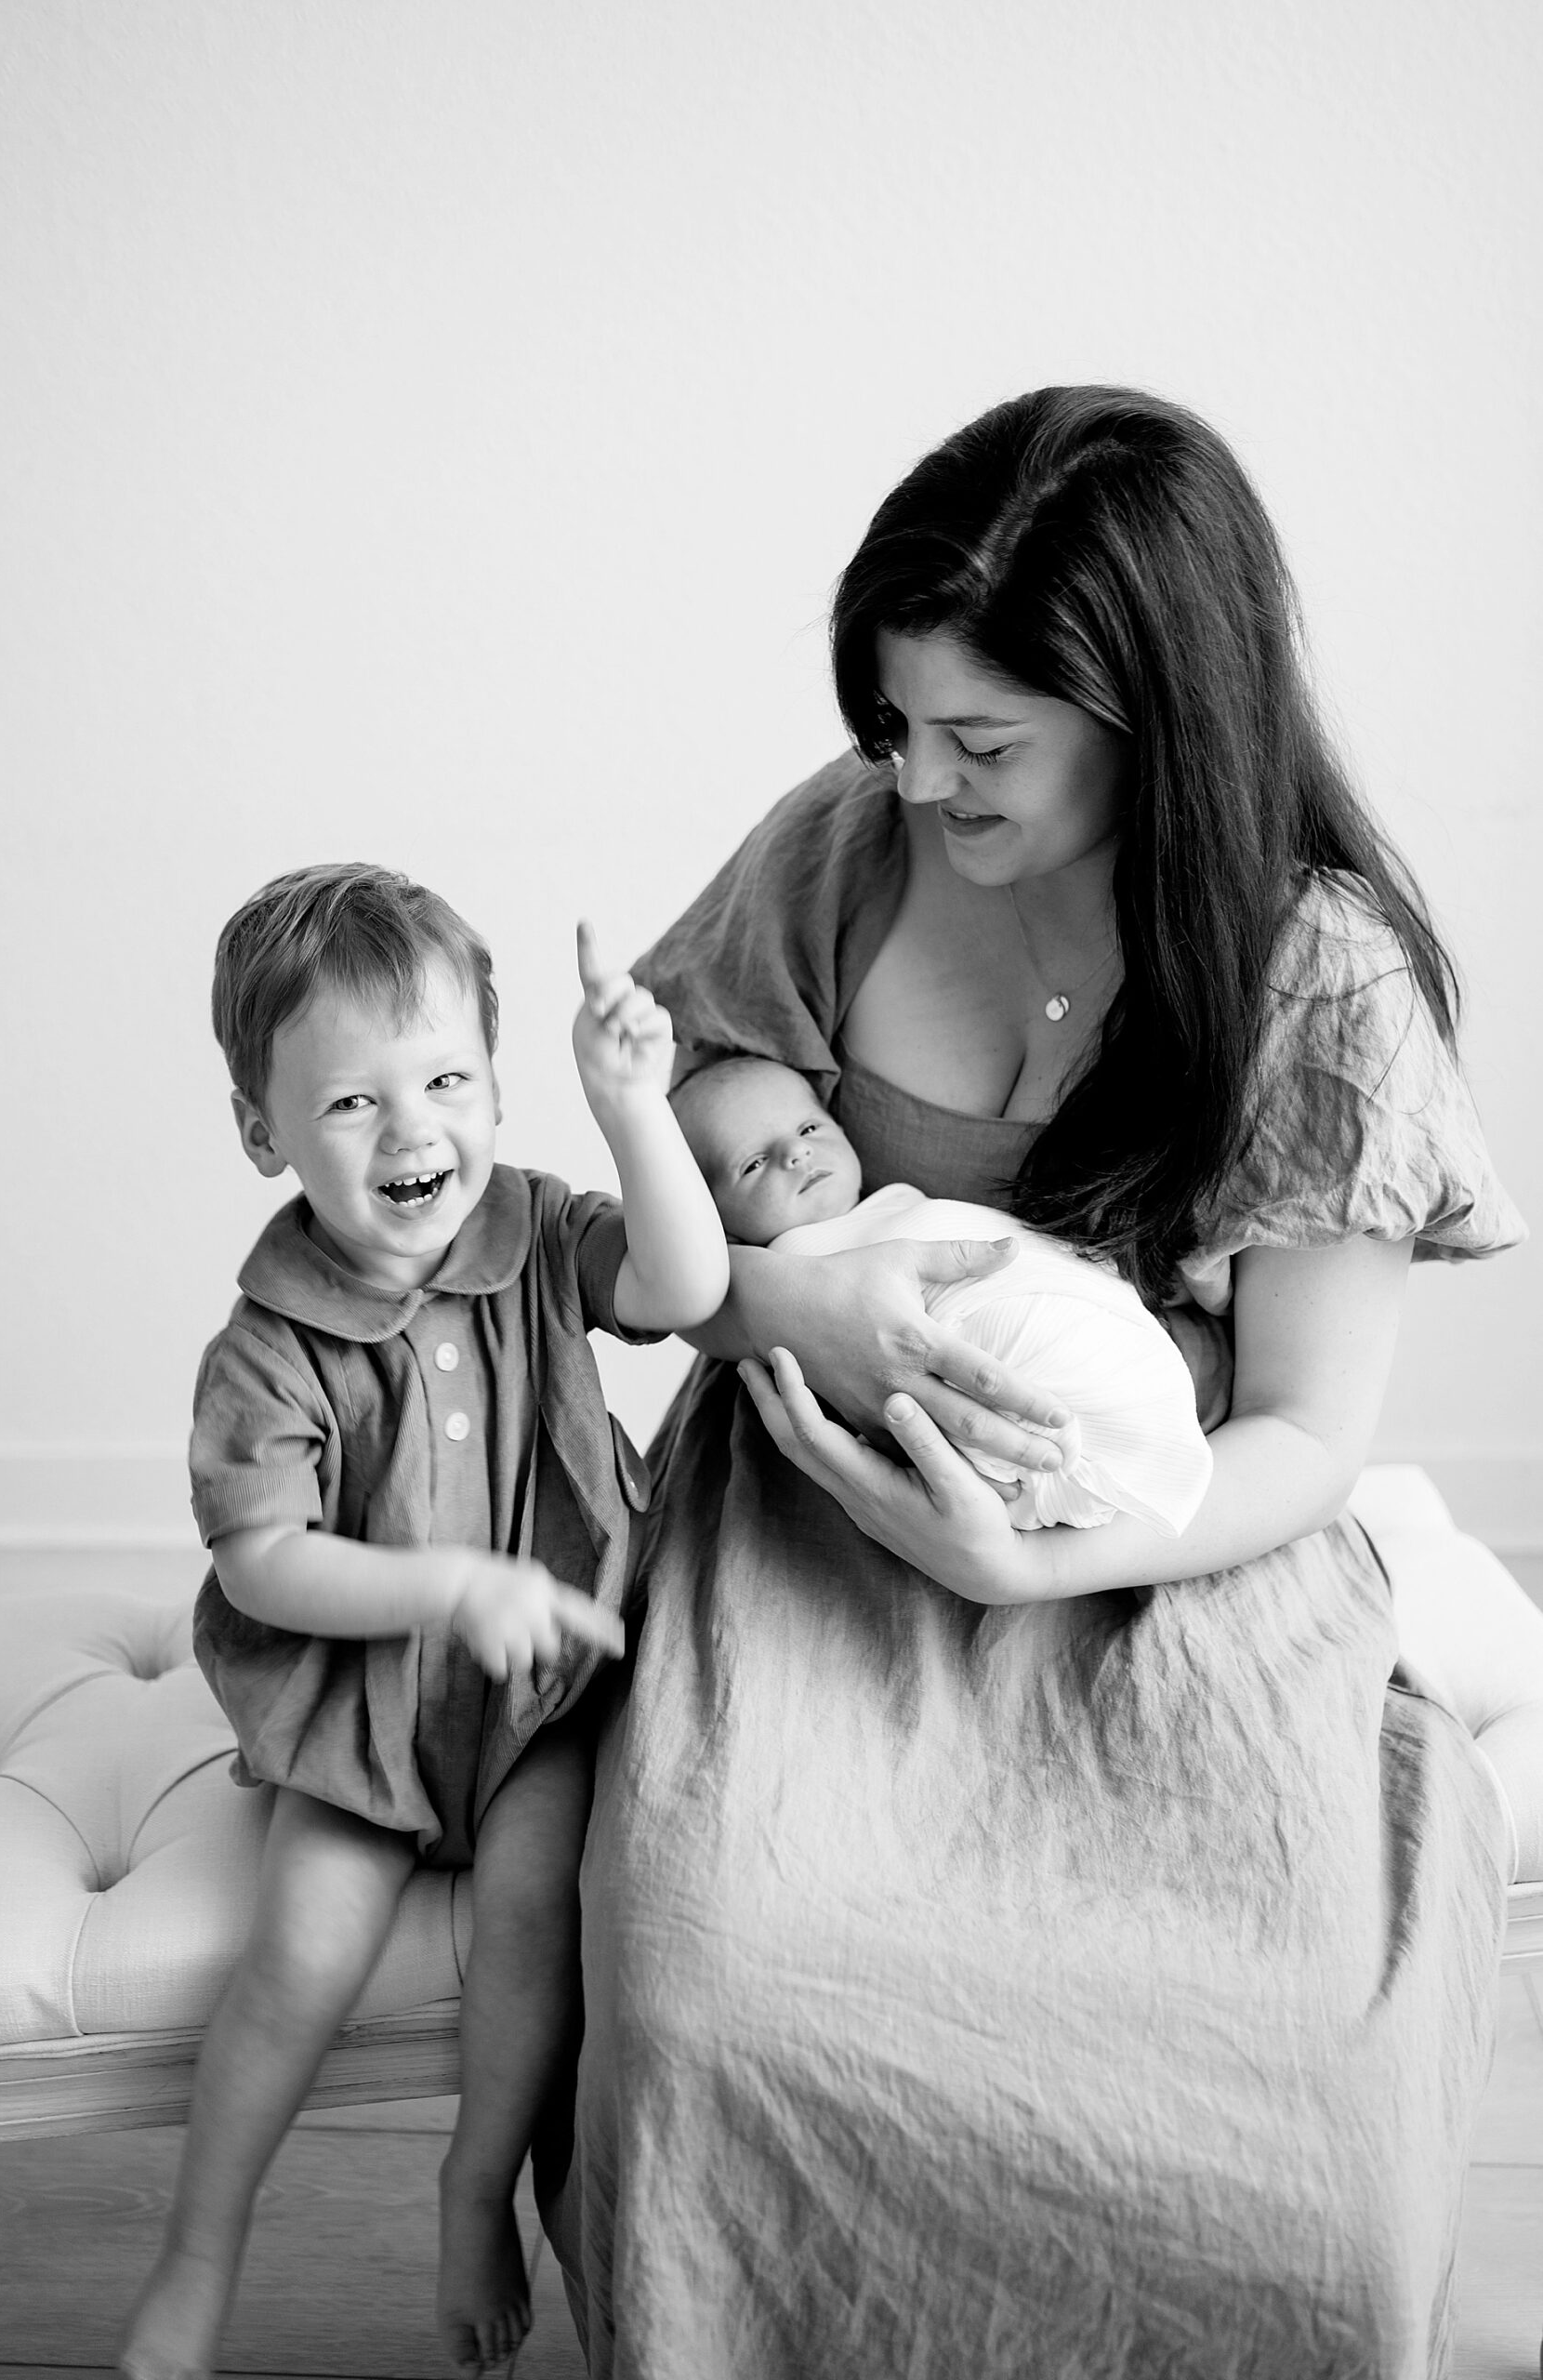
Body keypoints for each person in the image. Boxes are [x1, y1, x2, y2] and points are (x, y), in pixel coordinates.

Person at [549, 388, 1526, 2378]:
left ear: (1151, 710)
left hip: (1160, 1544)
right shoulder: (840, 848)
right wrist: (785, 1316)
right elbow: (668, 1221)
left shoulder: (1314, 977)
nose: (916, 779)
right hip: (818, 1513)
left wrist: (1029, 1563)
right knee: (713, 1994)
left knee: (1296, 2105)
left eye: (978, 741)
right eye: (890, 725)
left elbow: (1299, 1434)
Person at [121, 866, 727, 2380]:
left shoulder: (532, 1235)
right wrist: (450, 1589)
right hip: (362, 1706)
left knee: (538, 1910)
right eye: (350, 1104)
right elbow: (263, 1561)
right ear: (263, 1130)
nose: (413, 1132)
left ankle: (474, 2193)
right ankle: (198, 2258)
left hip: (533, 1712)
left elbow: (686, 1281)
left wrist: (633, 1106)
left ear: (497, 1090)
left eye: (448, 1079)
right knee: (297, 1960)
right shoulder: (269, 1342)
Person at [671, 1052, 1211, 1532]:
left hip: (1121, 1350)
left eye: (809, 1128)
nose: (795, 1153)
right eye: (753, 1163)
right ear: (718, 1225)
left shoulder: (896, 1203)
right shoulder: (784, 1264)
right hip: (998, 1423)